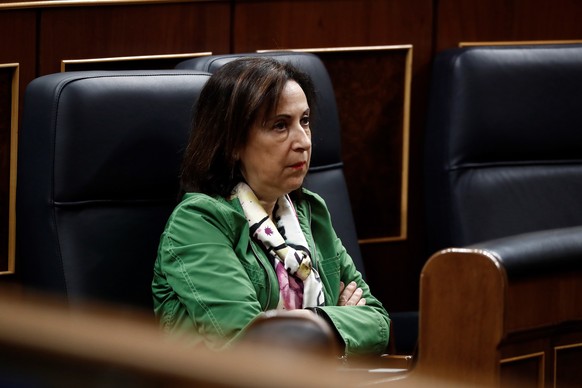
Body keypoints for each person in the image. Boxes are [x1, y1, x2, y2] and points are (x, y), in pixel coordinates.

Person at [151, 57, 390, 356]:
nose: (303, 141)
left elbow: (379, 322)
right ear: (232, 143)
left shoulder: (309, 212)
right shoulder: (199, 222)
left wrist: (309, 322)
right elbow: (252, 348)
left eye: (304, 121)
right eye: (280, 125)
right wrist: (336, 323)